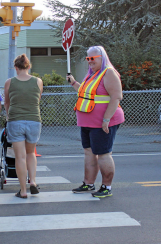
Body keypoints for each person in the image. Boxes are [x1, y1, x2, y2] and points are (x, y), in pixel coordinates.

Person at [66, 46, 125, 198]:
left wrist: (106, 119)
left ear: (102, 57)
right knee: (89, 153)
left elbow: (116, 97)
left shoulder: (108, 73)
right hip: (87, 121)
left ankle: (106, 187)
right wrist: (73, 83)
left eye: (93, 58)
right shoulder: (92, 75)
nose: (90, 62)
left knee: (103, 154)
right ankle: (88, 183)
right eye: (88, 59)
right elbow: (86, 94)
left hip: (102, 122)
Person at [4, 54, 43, 198]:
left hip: (16, 120)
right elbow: (37, 99)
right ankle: (32, 181)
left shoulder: (10, 82)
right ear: (28, 66)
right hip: (34, 120)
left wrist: (9, 115)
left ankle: (23, 190)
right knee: (31, 153)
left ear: (16, 67)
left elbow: (7, 102)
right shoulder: (38, 81)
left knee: (19, 157)